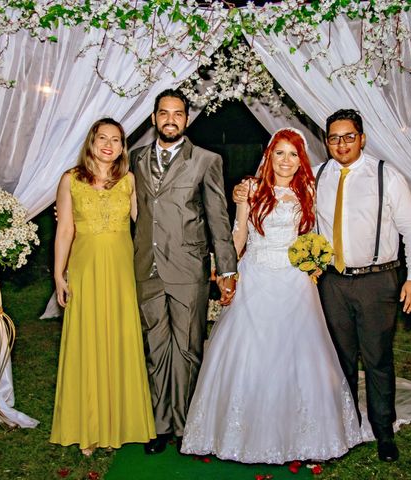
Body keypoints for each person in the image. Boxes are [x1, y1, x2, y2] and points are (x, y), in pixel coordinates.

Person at [181, 128, 362, 464]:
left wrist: (315, 264)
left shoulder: (308, 190)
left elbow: (314, 236)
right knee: (249, 351)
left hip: (295, 283)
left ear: (301, 161)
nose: (286, 161)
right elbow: (238, 234)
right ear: (270, 155)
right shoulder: (250, 189)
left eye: (293, 155)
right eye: (280, 153)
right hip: (256, 277)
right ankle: (238, 432)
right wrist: (225, 271)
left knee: (297, 354)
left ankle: (301, 434)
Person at [316, 109, 411, 462]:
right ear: (326, 142)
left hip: (377, 281)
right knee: (340, 359)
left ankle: (383, 432)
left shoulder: (386, 175)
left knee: (378, 358)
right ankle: (347, 427)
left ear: (362, 138)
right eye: (334, 137)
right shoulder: (318, 175)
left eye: (349, 136)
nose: (341, 144)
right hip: (332, 282)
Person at [130, 89, 238, 455]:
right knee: (155, 347)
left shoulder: (206, 160)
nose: (170, 119)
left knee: (189, 348)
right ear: (154, 118)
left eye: (178, 113)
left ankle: (190, 423)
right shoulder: (136, 158)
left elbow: (218, 219)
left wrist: (226, 269)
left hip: (189, 268)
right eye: (164, 113)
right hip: (147, 268)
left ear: (187, 119)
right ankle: (160, 426)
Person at [50, 118, 155, 456]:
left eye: (117, 140)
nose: (109, 145)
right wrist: (58, 275)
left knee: (120, 340)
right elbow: (65, 230)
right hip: (85, 270)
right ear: (91, 142)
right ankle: (90, 427)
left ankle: (122, 423)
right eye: (103, 138)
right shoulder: (70, 180)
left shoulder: (128, 181)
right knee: (88, 341)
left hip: (122, 272)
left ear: (123, 147)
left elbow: (147, 223)